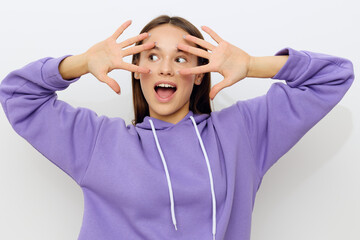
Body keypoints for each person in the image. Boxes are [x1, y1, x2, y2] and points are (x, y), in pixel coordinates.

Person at [0, 15, 354, 240]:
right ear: (137, 70)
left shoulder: (241, 133)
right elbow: (17, 95)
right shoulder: (99, 142)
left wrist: (251, 64)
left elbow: (335, 76)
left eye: (181, 58)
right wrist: (80, 63)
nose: (166, 68)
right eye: (152, 57)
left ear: (199, 74)